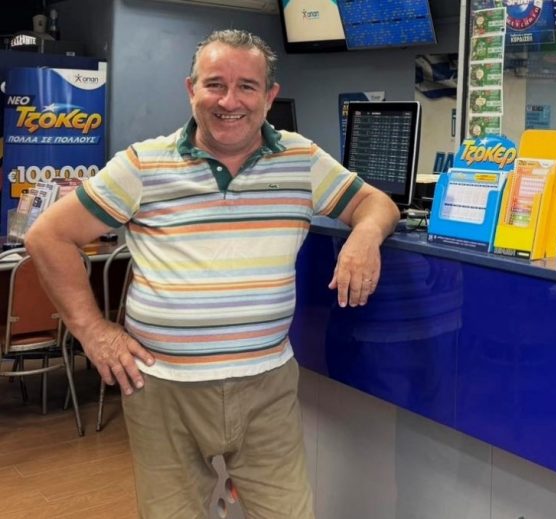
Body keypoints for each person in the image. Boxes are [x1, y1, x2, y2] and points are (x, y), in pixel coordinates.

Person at [25, 29, 400, 519]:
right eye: (215, 84)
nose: (230, 101)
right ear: (191, 90)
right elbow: (48, 236)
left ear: (269, 96)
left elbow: (376, 203)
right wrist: (94, 333)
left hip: (267, 386)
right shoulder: (142, 164)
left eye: (247, 86)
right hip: (162, 390)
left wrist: (365, 235)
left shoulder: (301, 160)